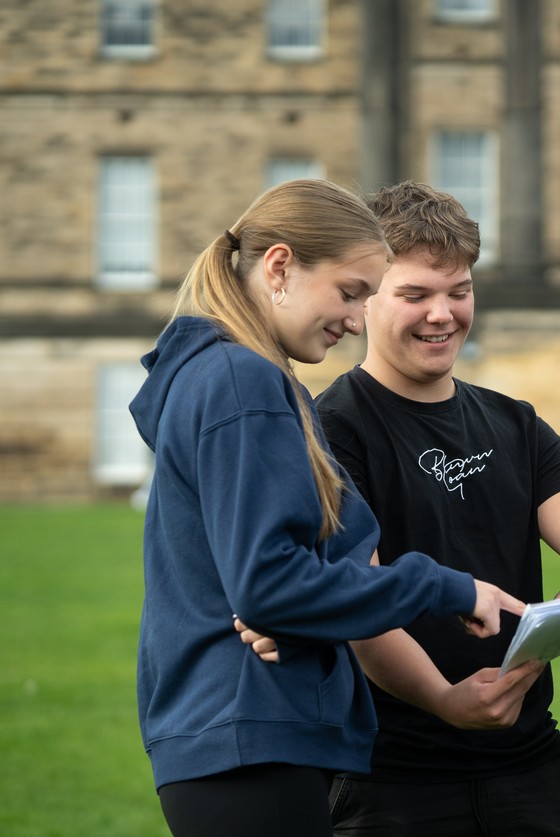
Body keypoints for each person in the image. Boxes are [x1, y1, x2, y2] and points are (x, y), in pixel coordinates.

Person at [128, 179, 523, 837]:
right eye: (349, 292)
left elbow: (271, 579)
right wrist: (446, 586)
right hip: (250, 739)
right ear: (280, 267)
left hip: (237, 740)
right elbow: (269, 586)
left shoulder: (224, 372)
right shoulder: (242, 380)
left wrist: (309, 609)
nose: (355, 319)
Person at [314, 181, 560, 836]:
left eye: (458, 291)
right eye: (415, 295)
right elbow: (357, 598)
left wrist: (545, 633)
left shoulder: (515, 423)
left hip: (528, 765)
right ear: (366, 296)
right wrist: (444, 698)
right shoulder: (333, 429)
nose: (442, 314)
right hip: (392, 780)